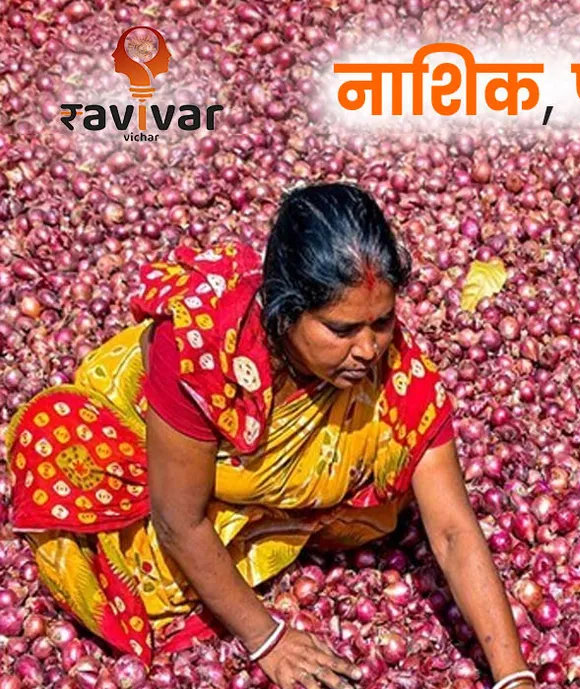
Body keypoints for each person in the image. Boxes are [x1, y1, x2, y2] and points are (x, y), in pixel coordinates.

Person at [5, 184, 535, 689]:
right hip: (145, 447)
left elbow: (451, 533)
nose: (371, 349)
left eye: (383, 321)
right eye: (342, 330)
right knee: (147, 588)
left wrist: (513, 677)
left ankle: (267, 506)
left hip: (237, 477)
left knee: (386, 482)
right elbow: (178, 519)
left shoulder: (396, 371)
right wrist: (267, 639)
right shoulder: (203, 350)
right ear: (285, 309)